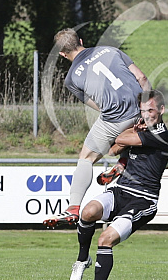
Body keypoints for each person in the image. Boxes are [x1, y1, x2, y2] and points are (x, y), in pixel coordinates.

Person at [68, 90, 168, 280]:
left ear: (162, 110)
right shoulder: (141, 129)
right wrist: (129, 137)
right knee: (88, 212)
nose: (146, 115)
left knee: (105, 239)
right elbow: (113, 150)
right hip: (120, 190)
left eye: (151, 110)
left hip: (143, 199)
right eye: (143, 111)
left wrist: (127, 135)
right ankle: (82, 259)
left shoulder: (162, 135)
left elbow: (117, 138)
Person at [43, 28, 151, 228]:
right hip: (140, 108)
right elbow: (142, 78)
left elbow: (98, 106)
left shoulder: (71, 79)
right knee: (145, 134)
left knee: (86, 158)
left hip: (115, 118)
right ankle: (126, 158)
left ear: (61, 54)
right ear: (81, 41)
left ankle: (73, 207)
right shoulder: (111, 51)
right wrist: (148, 110)